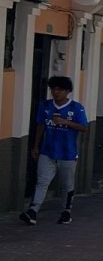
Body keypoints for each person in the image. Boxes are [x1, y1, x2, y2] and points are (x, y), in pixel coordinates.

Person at [21, 76, 89, 225]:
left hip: (67, 153)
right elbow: (40, 125)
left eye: (60, 89)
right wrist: (36, 145)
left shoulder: (77, 108)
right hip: (47, 151)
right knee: (42, 181)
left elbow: (84, 127)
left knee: (67, 184)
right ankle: (33, 210)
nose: (56, 92)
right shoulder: (45, 106)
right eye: (53, 89)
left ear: (67, 91)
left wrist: (66, 122)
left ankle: (66, 211)